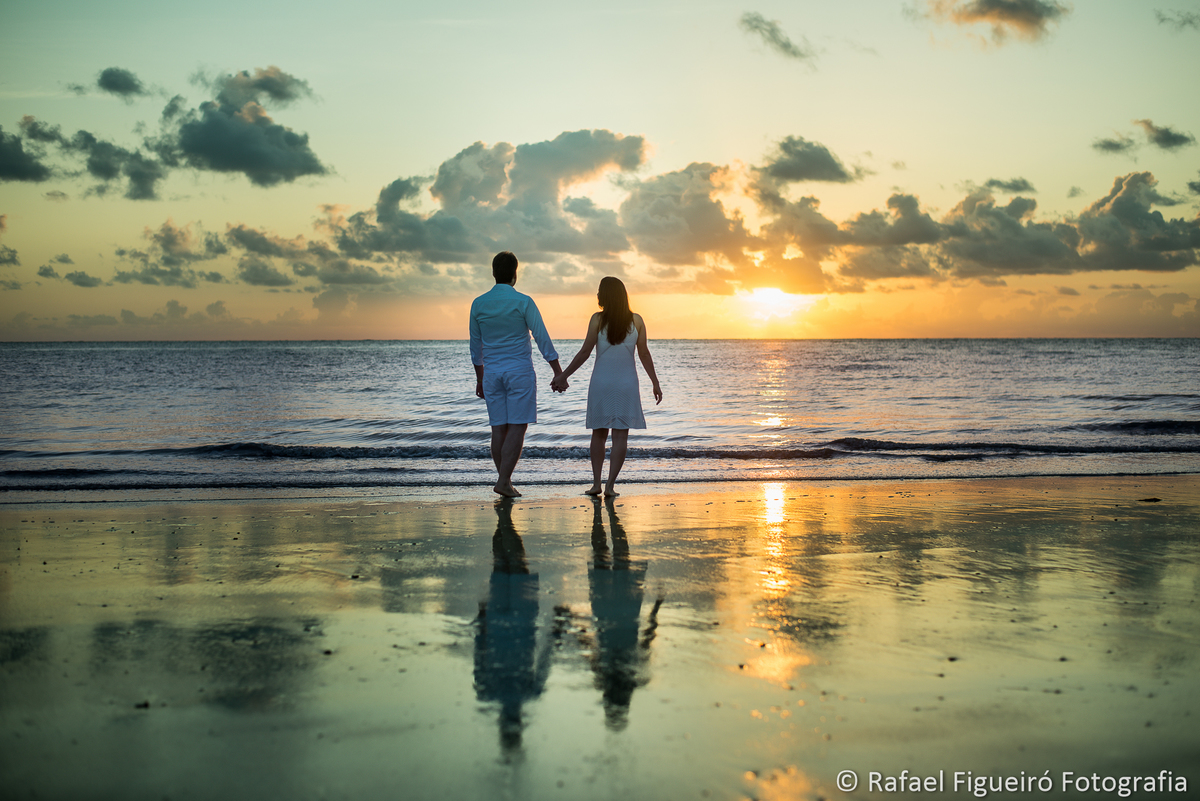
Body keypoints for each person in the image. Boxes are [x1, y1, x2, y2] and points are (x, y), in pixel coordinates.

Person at [551, 276, 661, 496]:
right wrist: (655, 382)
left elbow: (585, 352)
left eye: (599, 290)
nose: (597, 294)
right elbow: (644, 353)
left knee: (599, 434)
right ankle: (610, 486)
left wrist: (563, 375)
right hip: (627, 384)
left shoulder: (597, 319)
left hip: (601, 382)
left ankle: (596, 484)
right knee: (621, 436)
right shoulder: (637, 320)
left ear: (605, 295)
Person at [470, 251, 565, 497]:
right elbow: (541, 336)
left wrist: (479, 378)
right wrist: (558, 372)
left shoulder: (478, 303)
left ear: (493, 273)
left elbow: (475, 346)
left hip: (492, 374)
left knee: (498, 428)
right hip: (519, 372)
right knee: (517, 427)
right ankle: (503, 481)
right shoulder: (523, 301)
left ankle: (504, 481)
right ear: (515, 273)